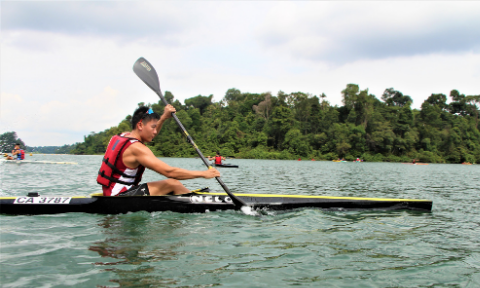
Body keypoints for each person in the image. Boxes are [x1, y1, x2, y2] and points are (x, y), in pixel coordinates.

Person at [97, 105, 220, 196]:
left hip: (111, 193)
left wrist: (164, 117)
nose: (155, 132)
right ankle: (197, 203)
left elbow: (149, 134)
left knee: (171, 187)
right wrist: (203, 174)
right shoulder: (137, 149)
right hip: (119, 197)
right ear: (140, 125)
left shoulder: (125, 136)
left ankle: (188, 197)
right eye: (153, 127)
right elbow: (169, 172)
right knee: (173, 184)